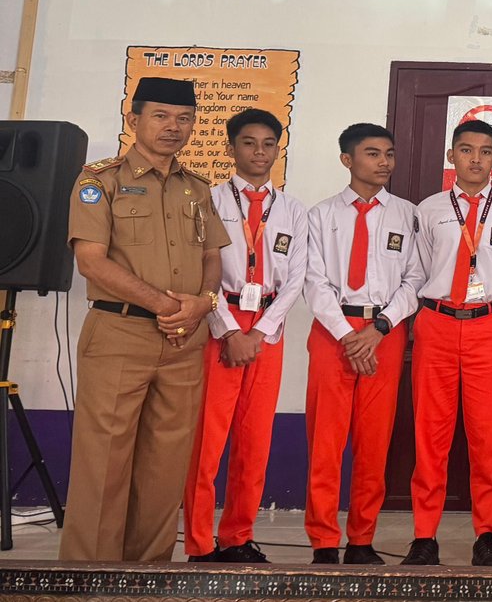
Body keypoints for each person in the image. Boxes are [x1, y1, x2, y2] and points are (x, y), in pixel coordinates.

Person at [60, 76, 226, 562]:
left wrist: (204, 303)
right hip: (119, 335)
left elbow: (212, 256)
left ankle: (148, 574)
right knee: (104, 465)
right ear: (134, 120)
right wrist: (169, 306)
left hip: (183, 343)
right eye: (161, 116)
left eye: (184, 118)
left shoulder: (196, 188)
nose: (174, 127)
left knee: (165, 468)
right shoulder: (100, 181)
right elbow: (91, 262)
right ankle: (90, 578)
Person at [183, 108, 308, 563]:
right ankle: (199, 543)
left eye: (268, 144)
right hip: (221, 322)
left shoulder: (293, 209)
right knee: (208, 443)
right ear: (231, 147)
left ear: (278, 149)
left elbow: (296, 278)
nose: (259, 152)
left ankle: (238, 535)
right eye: (249, 143)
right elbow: (201, 271)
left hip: (267, 330)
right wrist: (230, 330)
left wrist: (261, 332)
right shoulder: (209, 200)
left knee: (255, 443)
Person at [303, 123, 424, 564]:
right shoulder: (320, 215)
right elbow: (313, 281)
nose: (384, 162)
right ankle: (323, 542)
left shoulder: (407, 215)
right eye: (373, 153)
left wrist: (380, 328)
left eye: (389, 154)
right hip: (333, 333)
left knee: (374, 444)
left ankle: (360, 540)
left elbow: (415, 279)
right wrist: (347, 335)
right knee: (326, 443)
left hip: (384, 334)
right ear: (347, 160)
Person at [402, 119, 492, 566]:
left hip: (489, 326)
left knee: (487, 440)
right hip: (437, 323)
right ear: (451, 156)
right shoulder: (428, 209)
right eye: (467, 150)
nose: (476, 159)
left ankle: (487, 535)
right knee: (430, 437)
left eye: (485, 151)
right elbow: (419, 270)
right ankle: (424, 536)